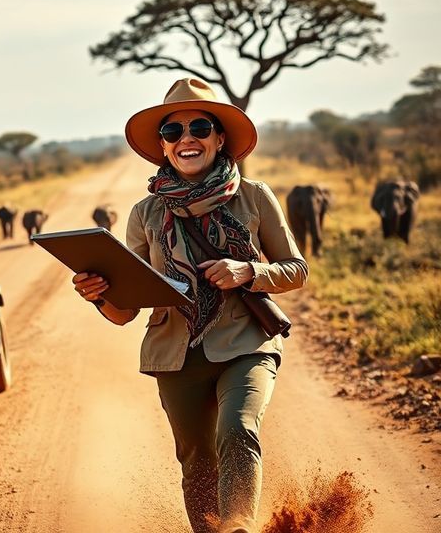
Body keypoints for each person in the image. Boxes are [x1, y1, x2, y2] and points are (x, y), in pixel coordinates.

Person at [72, 78, 307, 533]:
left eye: (200, 127)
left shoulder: (255, 196)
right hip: (175, 355)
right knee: (197, 458)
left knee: (237, 429)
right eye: (173, 133)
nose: (187, 140)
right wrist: (100, 294)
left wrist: (250, 272)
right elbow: (126, 311)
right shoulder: (145, 214)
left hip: (245, 344)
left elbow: (296, 269)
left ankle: (239, 525)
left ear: (220, 140)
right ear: (162, 147)